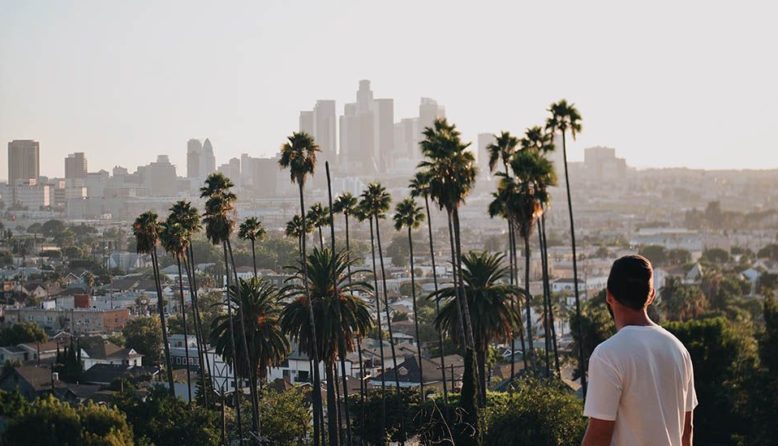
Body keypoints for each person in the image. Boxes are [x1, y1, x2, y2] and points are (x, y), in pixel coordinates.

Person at [581, 255, 697, 446]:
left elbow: (599, 436)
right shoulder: (678, 349)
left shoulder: (607, 355)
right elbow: (687, 431)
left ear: (609, 295)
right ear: (651, 295)